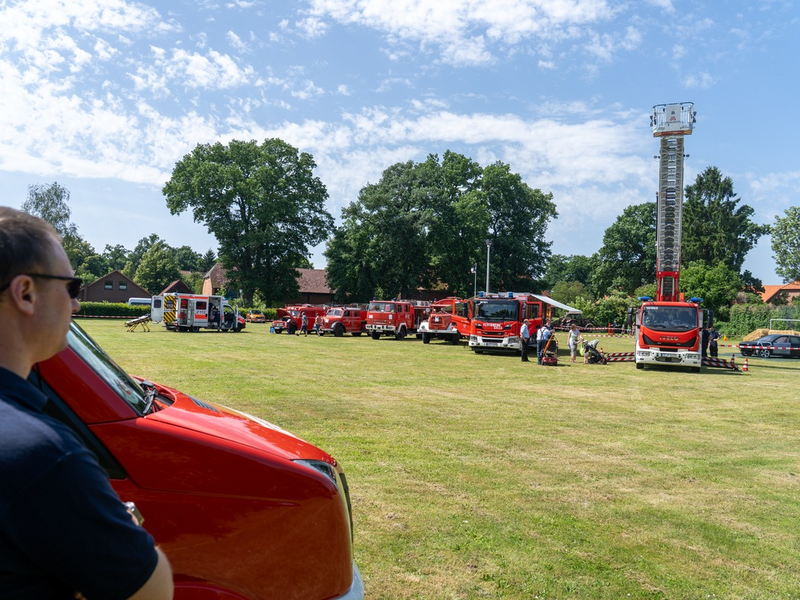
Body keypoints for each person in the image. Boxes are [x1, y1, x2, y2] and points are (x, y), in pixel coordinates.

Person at [0, 207, 173, 600]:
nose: (76, 305)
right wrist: (122, 520)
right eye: (71, 288)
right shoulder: (43, 457)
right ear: (25, 293)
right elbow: (153, 590)